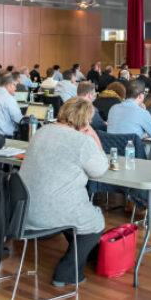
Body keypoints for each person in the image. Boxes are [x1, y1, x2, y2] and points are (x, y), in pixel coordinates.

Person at [19, 98, 107, 287]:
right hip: (52, 211)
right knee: (95, 221)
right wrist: (94, 137)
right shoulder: (82, 141)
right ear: (85, 121)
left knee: (75, 216)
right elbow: (100, 169)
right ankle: (67, 273)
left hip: (22, 211)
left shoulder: (41, 131)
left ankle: (88, 253)